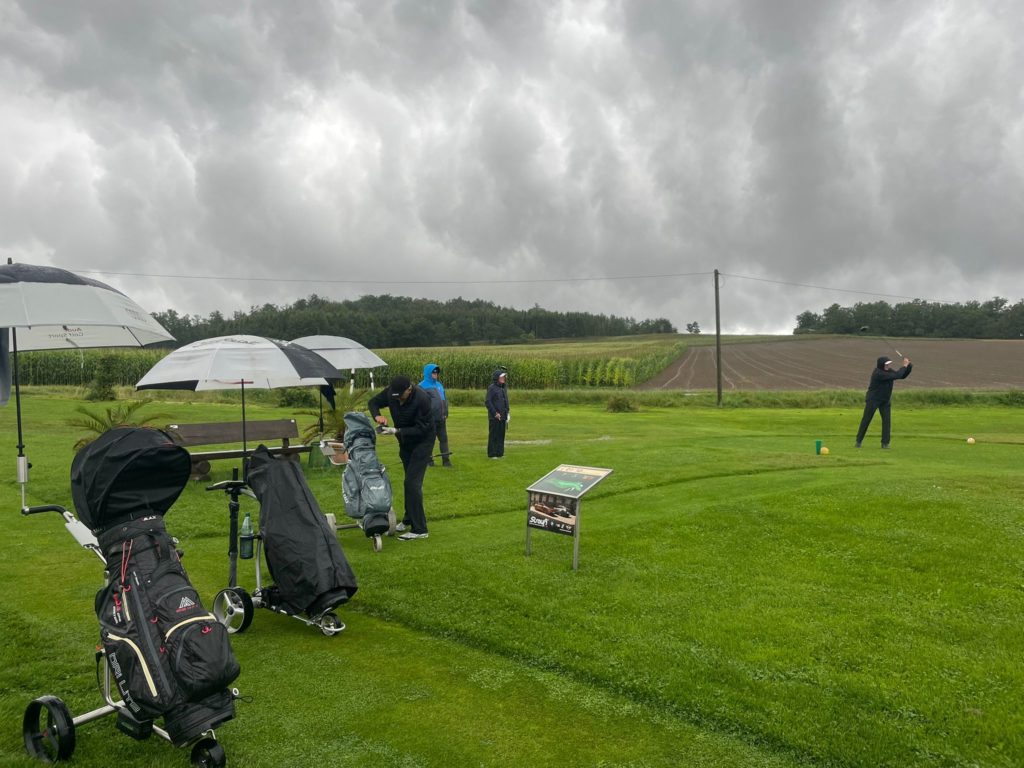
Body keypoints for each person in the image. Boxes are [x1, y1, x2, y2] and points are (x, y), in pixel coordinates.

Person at [368, 374, 436, 540]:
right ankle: (408, 519)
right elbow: (373, 402)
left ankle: (420, 529)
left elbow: (423, 429)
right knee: (409, 482)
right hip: (405, 443)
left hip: (423, 442)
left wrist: (397, 431)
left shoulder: (422, 399)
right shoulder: (393, 392)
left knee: (412, 482)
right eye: (395, 396)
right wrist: (377, 415)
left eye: (401, 395)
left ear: (409, 389)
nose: (398, 399)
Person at [855, 355, 913, 449]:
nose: (888, 366)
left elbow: (901, 376)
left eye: (889, 364)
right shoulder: (878, 373)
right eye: (886, 364)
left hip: (885, 400)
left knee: (886, 422)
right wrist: (904, 365)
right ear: (881, 365)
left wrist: (909, 366)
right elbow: (897, 375)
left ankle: (885, 443)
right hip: (873, 399)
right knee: (866, 420)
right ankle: (858, 441)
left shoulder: (889, 371)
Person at [419, 363, 452, 467]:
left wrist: (446, 412)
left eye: (437, 372)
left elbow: (444, 400)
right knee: (429, 441)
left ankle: (446, 461)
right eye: (433, 372)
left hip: (441, 418)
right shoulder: (421, 386)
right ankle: (429, 461)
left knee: (444, 440)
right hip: (430, 419)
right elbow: (420, 404)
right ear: (428, 373)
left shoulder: (439, 385)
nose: (435, 374)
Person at [485, 369, 510, 458]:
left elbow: (505, 400)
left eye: (504, 376)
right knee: (494, 435)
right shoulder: (492, 388)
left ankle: (500, 453)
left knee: (501, 435)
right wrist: (495, 413)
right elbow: (488, 402)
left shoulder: (503, 387)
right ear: (497, 378)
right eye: (502, 377)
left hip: (503, 416)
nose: (504, 378)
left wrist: (507, 412)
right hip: (494, 416)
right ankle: (492, 454)